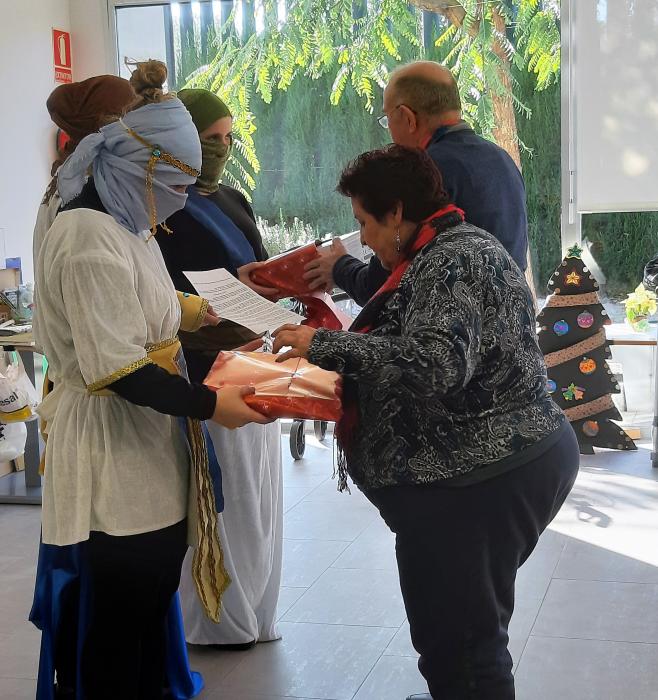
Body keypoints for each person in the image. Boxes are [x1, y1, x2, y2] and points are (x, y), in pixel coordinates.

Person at [272, 145, 579, 700]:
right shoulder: (449, 247)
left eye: (365, 223)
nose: (363, 239)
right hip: (489, 467)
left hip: (481, 478)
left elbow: (436, 364)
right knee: (461, 631)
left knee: (463, 646)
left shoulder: (450, 261)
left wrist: (323, 345)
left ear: (395, 212)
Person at [33, 61, 270, 699]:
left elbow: (145, 298)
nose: (179, 198)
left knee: (149, 602)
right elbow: (119, 368)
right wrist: (213, 404)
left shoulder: (127, 221)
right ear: (137, 166)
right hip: (111, 448)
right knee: (116, 623)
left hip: (150, 444)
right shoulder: (87, 234)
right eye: (173, 182)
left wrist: (194, 311)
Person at [156, 87, 283, 650]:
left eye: (229, 137)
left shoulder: (232, 199)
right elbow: (163, 294)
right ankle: (218, 618)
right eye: (210, 138)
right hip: (204, 368)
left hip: (254, 356)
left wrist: (277, 282)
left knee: (259, 495)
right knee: (225, 494)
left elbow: (252, 268)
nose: (222, 148)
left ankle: (256, 607)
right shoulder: (163, 210)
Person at [302, 60, 529, 307]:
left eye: (387, 119)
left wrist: (340, 268)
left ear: (408, 118)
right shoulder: (502, 159)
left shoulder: (425, 175)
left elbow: (381, 288)